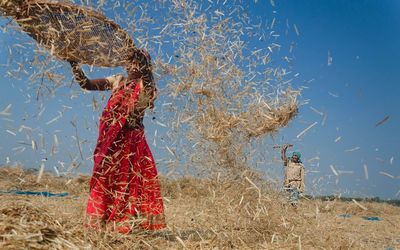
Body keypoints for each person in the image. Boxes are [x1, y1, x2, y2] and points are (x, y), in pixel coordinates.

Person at [69, 49, 166, 233]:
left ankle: (129, 226)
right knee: (105, 181)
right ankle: (102, 224)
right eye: (130, 61)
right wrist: (74, 65)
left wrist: (145, 70)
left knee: (130, 184)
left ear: (145, 66)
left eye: (138, 62)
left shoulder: (147, 86)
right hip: (111, 142)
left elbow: (145, 89)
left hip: (132, 143)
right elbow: (86, 84)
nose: (132, 66)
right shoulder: (118, 80)